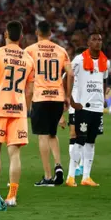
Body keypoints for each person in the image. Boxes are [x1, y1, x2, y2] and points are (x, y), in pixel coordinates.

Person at [0, 21, 35, 206]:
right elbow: (30, 90)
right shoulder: (28, 58)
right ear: (21, 36)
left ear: (5, 34)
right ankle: (12, 196)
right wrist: (25, 109)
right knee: (15, 153)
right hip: (18, 110)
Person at [25, 21, 72, 186]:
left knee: (42, 136)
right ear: (51, 33)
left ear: (37, 32)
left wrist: (26, 101)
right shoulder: (61, 50)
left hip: (40, 97)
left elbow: (26, 78)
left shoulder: (29, 51)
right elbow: (70, 73)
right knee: (53, 134)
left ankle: (47, 176)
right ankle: (58, 166)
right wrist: (68, 96)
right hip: (58, 97)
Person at [66, 31, 108, 187]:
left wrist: (103, 98)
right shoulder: (79, 59)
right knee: (80, 140)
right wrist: (70, 100)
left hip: (97, 108)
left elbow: (104, 81)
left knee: (91, 141)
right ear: (89, 43)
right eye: (94, 39)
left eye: (100, 39)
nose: (98, 42)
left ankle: (86, 177)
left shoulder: (105, 61)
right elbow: (68, 76)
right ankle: (70, 176)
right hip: (84, 107)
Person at [67, 47, 88, 177]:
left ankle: (81, 166)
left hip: (86, 105)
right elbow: (63, 84)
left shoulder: (89, 70)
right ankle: (74, 165)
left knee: (84, 135)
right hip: (73, 106)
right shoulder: (71, 69)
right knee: (73, 134)